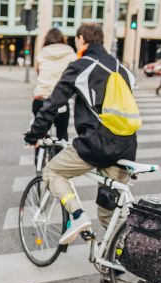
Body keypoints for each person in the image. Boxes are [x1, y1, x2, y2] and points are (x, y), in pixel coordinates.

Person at [24, 23, 137, 244]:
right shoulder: (123, 69)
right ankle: (117, 271)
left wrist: (34, 134)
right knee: (108, 213)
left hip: (95, 145)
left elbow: (53, 104)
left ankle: (77, 215)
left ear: (81, 39)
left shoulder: (81, 66)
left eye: (77, 40)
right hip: (126, 146)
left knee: (52, 173)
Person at [33, 28, 75, 141]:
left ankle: (39, 156)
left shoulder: (42, 53)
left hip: (40, 100)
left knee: (40, 136)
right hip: (60, 101)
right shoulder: (70, 52)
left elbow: (38, 72)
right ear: (62, 39)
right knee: (62, 134)